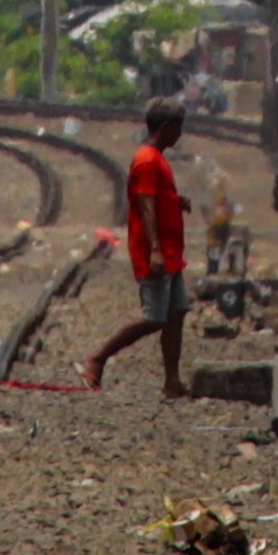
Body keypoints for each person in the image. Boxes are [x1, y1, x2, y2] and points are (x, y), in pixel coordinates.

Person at [84, 101, 191, 397]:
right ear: (166, 127)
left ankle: (172, 381)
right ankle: (98, 358)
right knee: (155, 317)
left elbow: (155, 199)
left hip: (172, 253)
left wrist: (175, 201)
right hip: (156, 252)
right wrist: (155, 250)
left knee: (177, 312)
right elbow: (145, 206)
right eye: (178, 127)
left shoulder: (156, 159)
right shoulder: (146, 160)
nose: (181, 134)